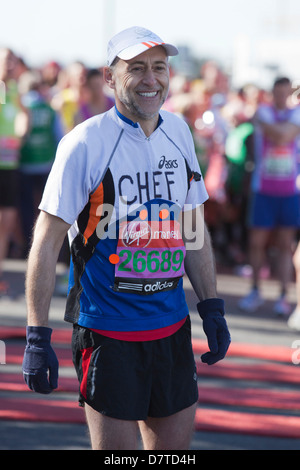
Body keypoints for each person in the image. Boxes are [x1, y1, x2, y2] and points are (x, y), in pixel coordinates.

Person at [22, 26, 231, 451]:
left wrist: (211, 305)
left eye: (159, 67)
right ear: (110, 78)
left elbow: (192, 225)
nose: (151, 78)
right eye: (136, 68)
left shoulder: (179, 132)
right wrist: (35, 334)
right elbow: (46, 241)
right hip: (108, 334)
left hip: (171, 327)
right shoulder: (84, 143)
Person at [239, 77, 300, 315]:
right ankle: (255, 289)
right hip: (263, 189)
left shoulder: (293, 114)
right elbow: (283, 134)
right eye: (278, 92)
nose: (281, 97)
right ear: (273, 93)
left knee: (286, 245)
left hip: (289, 191)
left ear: (290, 93)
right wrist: (276, 129)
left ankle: (283, 295)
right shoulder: (263, 111)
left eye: (286, 93)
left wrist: (269, 128)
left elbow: (283, 137)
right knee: (256, 243)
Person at [18, 70, 64, 254]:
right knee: (47, 209)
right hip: (46, 164)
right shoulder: (49, 108)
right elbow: (59, 136)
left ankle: (28, 248)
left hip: (23, 163)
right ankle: (46, 247)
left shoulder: (21, 105)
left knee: (27, 209)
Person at [0, 48, 28, 293]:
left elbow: (22, 115)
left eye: (13, 60)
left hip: (9, 164)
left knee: (6, 222)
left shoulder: (14, 89)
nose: (10, 64)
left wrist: (20, 133)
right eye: (6, 59)